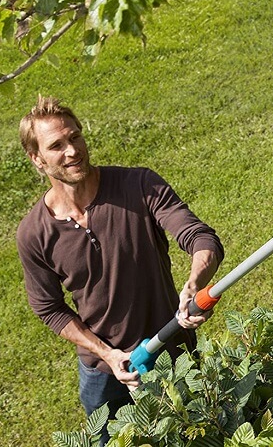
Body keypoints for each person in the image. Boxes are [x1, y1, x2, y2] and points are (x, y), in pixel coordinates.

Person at [15, 96, 223, 442]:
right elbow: (48, 307)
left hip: (172, 348)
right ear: (37, 159)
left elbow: (201, 238)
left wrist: (195, 282)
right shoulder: (35, 233)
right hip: (104, 374)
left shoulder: (139, 185)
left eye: (76, 137)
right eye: (57, 146)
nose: (73, 151)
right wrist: (106, 353)